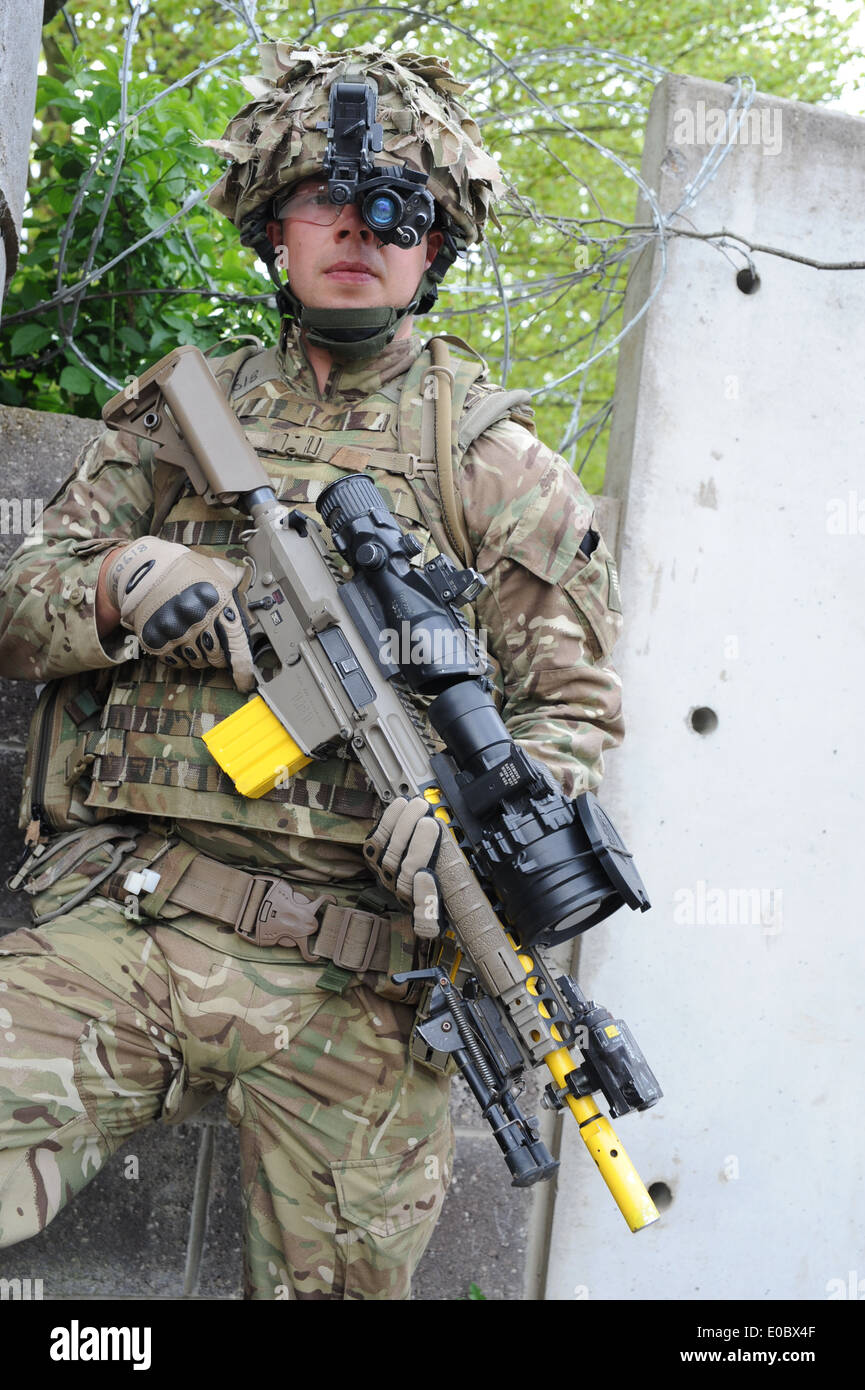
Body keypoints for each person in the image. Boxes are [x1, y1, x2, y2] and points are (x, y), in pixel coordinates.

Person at [0, 44, 625, 1300]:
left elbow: (572, 715)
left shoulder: (496, 465)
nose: (359, 229)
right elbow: (23, 598)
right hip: (135, 917)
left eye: (400, 208)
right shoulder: (179, 420)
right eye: (325, 200)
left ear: (437, 243)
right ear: (272, 224)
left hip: (365, 980)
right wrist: (126, 583)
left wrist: (462, 814)